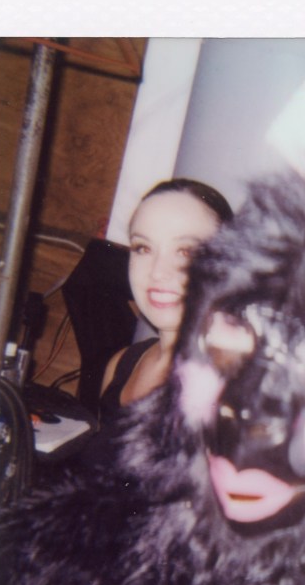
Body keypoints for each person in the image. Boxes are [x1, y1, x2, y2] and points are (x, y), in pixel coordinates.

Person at [98, 178, 233, 419]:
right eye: (143, 248)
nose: (157, 272)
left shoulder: (234, 390)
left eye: (186, 252)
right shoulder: (121, 365)